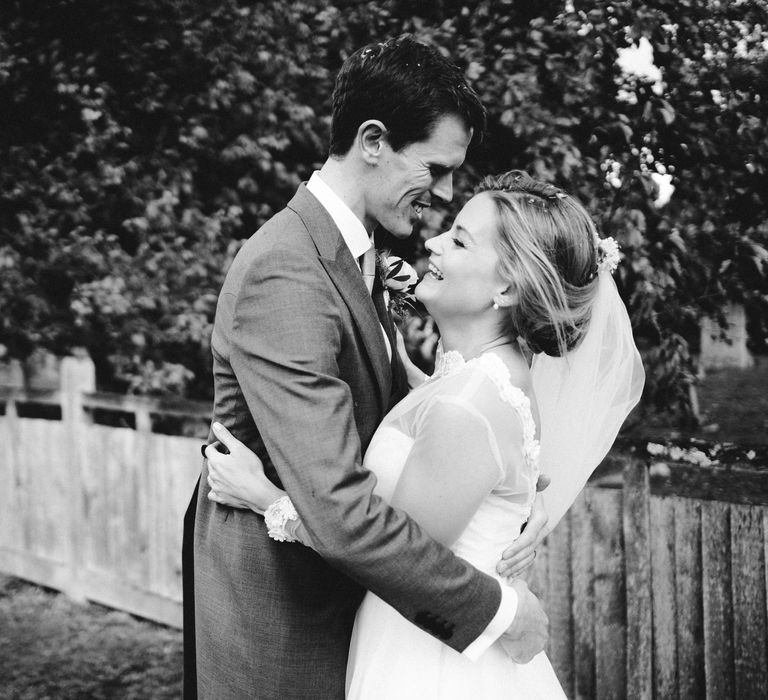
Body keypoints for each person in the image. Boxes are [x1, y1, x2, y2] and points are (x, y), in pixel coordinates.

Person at [183, 36, 552, 700]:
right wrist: (499, 610)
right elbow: (342, 511)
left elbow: (427, 432)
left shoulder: (358, 254)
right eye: (436, 169)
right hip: (281, 616)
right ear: (374, 141)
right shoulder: (287, 268)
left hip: (356, 604)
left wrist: (521, 513)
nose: (443, 195)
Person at [205, 170, 645, 699]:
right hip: (424, 636)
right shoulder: (471, 379)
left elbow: (393, 556)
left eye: (458, 240)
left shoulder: (470, 404)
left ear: (506, 287)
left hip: (429, 660)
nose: (433, 242)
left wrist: (265, 498)